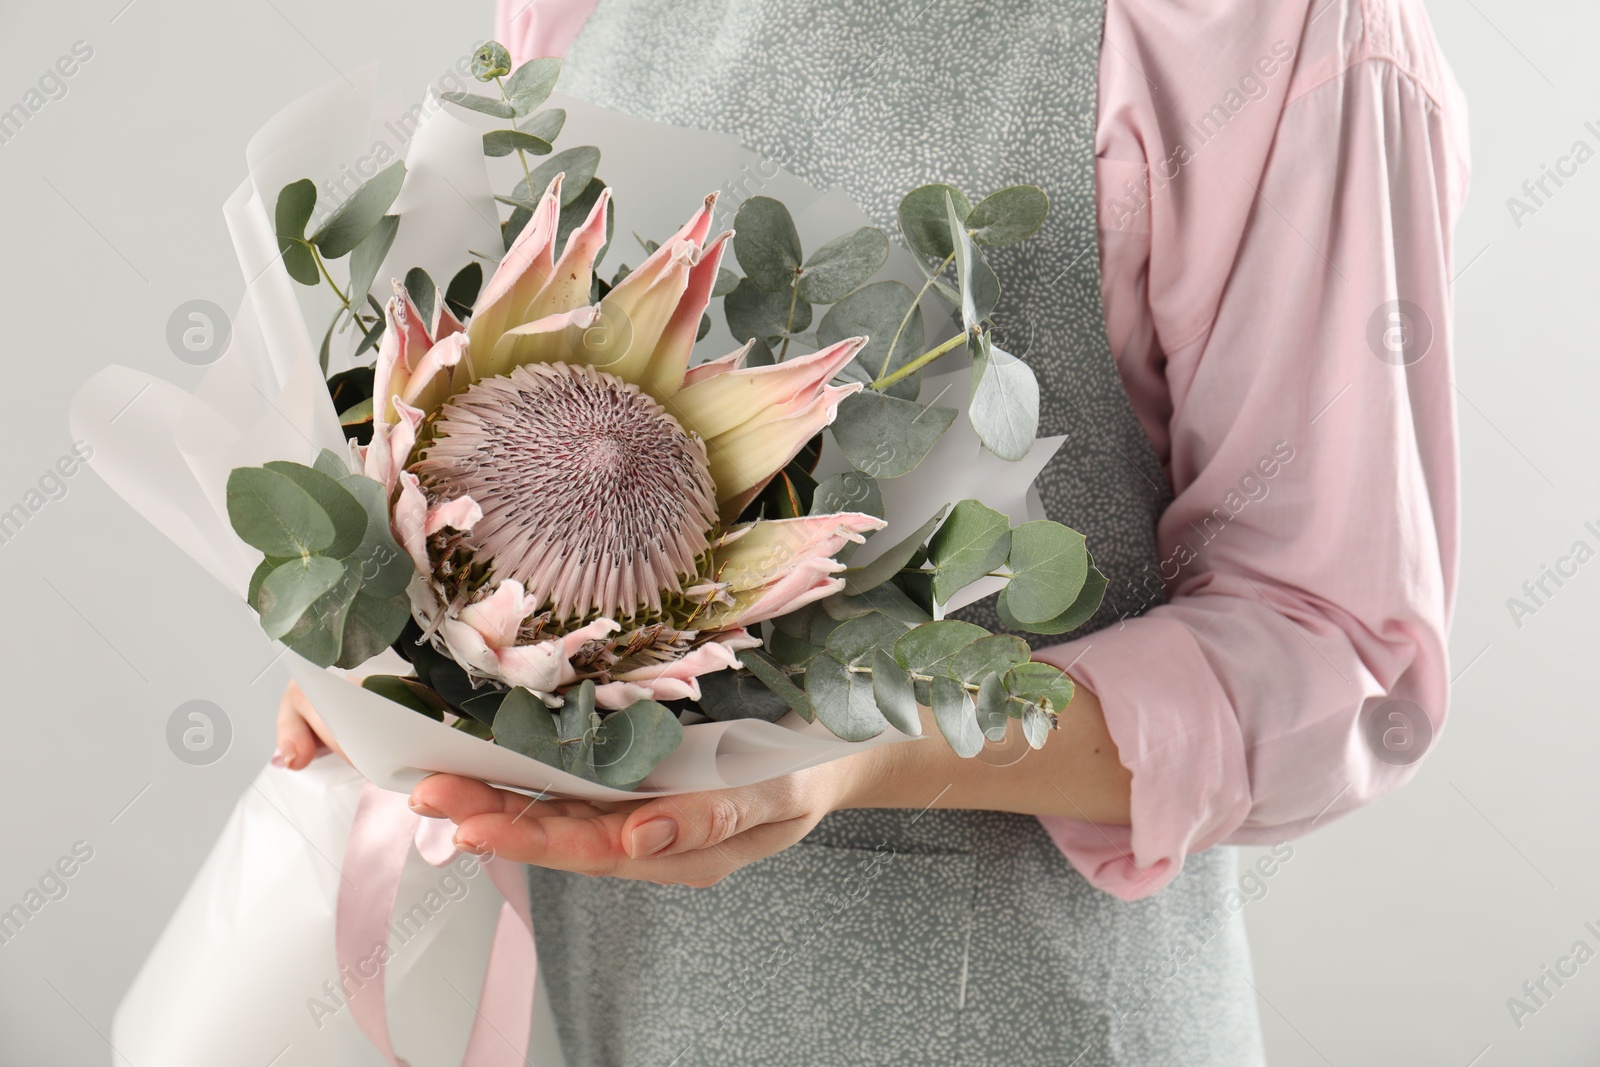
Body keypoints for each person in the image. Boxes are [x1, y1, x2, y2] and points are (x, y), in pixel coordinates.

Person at [278, 0, 1466, 1061]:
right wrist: (416, 639)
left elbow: (1338, 649)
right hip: (610, 1003)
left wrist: (872, 745)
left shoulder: (1274, 31)